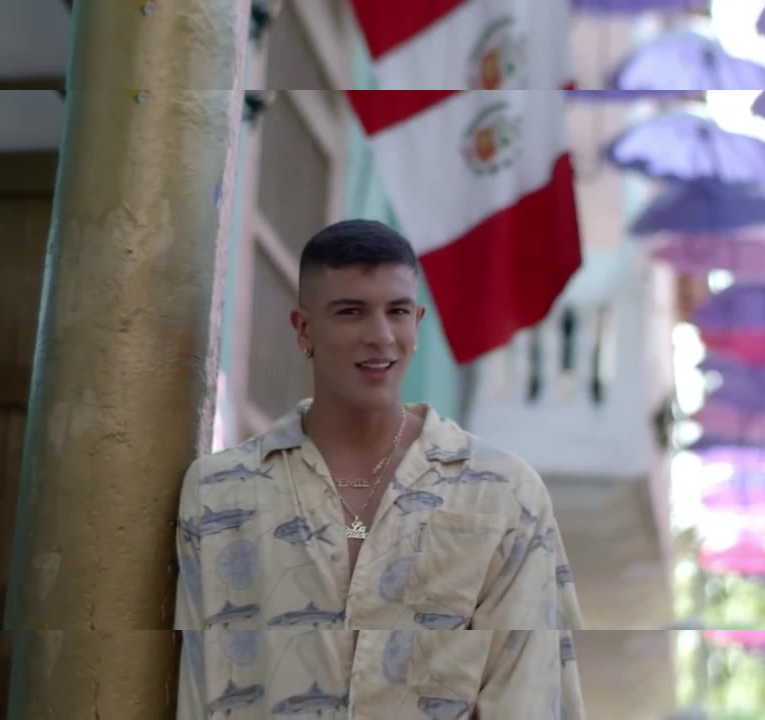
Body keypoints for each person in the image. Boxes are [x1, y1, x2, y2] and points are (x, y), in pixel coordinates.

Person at [175, 219, 585, 719]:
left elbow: (531, 693)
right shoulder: (220, 493)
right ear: (304, 329)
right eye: (351, 312)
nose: (380, 336)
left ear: (418, 321)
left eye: (398, 312)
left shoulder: (502, 495)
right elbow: (196, 686)